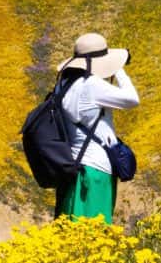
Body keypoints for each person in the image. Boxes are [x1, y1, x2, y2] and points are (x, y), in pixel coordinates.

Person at [54, 32, 138, 223]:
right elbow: (132, 99)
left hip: (72, 168)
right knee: (95, 234)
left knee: (69, 233)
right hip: (95, 169)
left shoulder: (63, 83)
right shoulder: (91, 85)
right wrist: (118, 70)